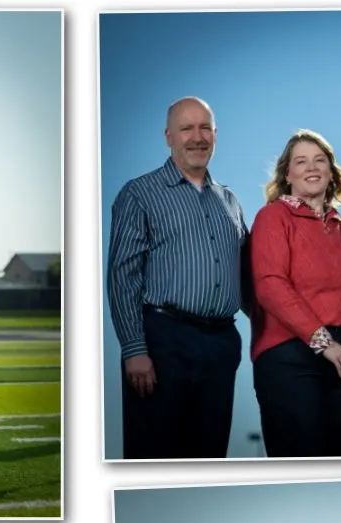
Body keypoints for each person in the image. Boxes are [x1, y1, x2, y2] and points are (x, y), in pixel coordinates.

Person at [107, 96, 249, 459]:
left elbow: (247, 276)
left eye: (205, 128)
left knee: (210, 454)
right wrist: (134, 349)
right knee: (156, 453)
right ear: (169, 136)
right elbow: (123, 276)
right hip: (164, 342)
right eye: (187, 128)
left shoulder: (230, 200)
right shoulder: (140, 193)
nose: (197, 137)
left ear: (216, 135)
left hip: (221, 343)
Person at [250, 130, 341, 457]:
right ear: (287, 174)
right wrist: (323, 342)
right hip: (288, 356)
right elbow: (270, 285)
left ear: (332, 172)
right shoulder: (273, 217)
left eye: (320, 160)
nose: (312, 167)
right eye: (301, 161)